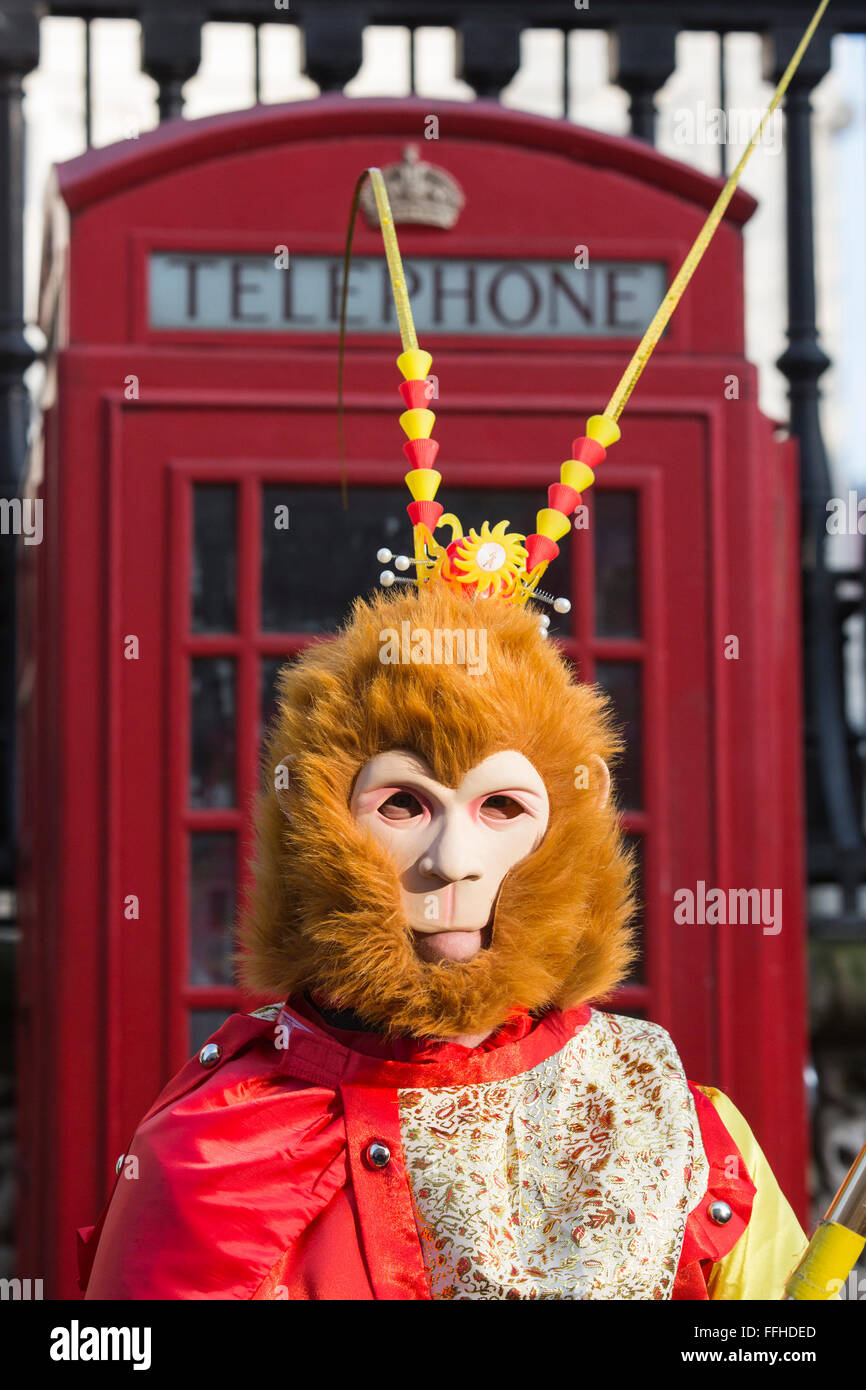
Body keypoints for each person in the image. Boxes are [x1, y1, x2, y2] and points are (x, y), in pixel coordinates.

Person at [80, 583, 807, 1300]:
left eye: (501, 806)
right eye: (403, 804)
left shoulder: (677, 1121)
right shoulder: (218, 1142)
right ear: (319, 828)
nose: (452, 857)